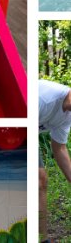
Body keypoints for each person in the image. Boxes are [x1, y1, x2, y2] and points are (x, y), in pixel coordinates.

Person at [40, 80, 71, 225]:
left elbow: (59, 149)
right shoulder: (45, 98)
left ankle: (42, 234)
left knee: (41, 181)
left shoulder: (68, 115)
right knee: (39, 177)